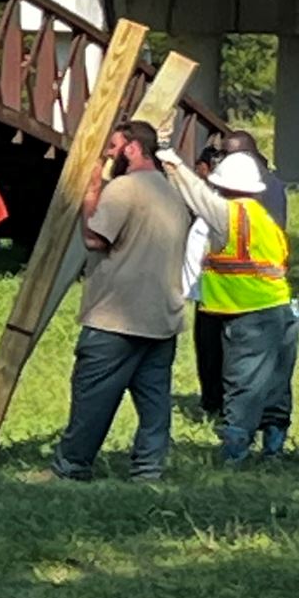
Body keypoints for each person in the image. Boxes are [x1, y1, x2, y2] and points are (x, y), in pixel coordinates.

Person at [51, 118, 194, 482]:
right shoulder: (172, 193)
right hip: (161, 316)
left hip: (115, 318)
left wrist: (90, 194)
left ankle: (72, 466)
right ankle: (149, 470)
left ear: (132, 148)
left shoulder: (123, 189)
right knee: (154, 402)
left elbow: (96, 239)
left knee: (92, 397)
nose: (110, 154)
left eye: (114, 148)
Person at [160, 142, 298, 464]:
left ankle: (234, 454)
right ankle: (273, 449)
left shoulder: (229, 216)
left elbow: (196, 194)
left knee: (242, 385)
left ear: (221, 185)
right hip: (281, 310)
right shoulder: (263, 219)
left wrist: (168, 158)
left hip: (248, 313)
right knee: (276, 385)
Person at [187, 130, 290, 422]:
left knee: (227, 364)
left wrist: (170, 159)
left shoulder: (229, 205)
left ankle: (231, 429)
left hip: (227, 294)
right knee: (269, 370)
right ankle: (269, 431)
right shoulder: (272, 192)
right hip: (270, 295)